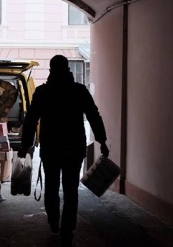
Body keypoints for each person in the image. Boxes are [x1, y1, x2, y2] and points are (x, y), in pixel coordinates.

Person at [18, 55, 109, 247]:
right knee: (70, 190)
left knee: (51, 187)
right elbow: (94, 115)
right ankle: (68, 229)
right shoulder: (79, 91)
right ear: (67, 68)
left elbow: (31, 120)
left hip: (51, 148)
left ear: (51, 70)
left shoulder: (43, 92)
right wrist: (102, 140)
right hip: (74, 148)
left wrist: (25, 145)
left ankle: (53, 223)